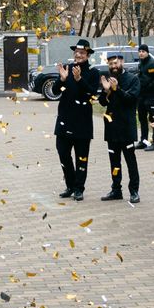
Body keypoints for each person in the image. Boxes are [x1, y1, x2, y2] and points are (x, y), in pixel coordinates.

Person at [54, 40, 97, 201]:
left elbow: (92, 94)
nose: (78, 55)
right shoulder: (68, 68)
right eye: (76, 52)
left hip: (82, 122)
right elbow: (54, 90)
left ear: (87, 55)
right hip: (65, 119)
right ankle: (70, 185)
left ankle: (79, 188)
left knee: (81, 157)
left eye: (82, 53)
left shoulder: (93, 72)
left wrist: (79, 79)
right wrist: (62, 80)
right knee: (63, 153)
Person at [99, 52, 142, 202]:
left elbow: (131, 99)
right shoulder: (107, 79)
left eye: (115, 63)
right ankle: (116, 189)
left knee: (130, 161)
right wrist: (106, 91)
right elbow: (103, 103)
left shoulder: (132, 79)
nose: (113, 66)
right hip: (111, 128)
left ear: (121, 62)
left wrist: (116, 89)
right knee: (114, 161)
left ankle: (134, 191)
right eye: (110, 64)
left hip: (126, 127)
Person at [134, 44, 154, 150]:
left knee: (153, 118)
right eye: (140, 51)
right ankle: (144, 141)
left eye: (143, 51)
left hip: (151, 95)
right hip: (141, 96)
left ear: (147, 52)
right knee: (142, 118)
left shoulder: (153, 64)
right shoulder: (141, 63)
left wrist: (148, 87)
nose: (141, 53)